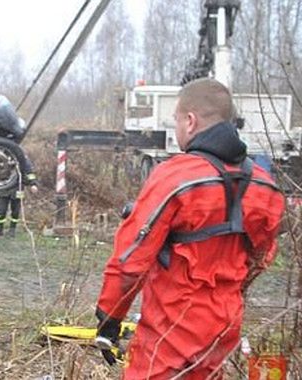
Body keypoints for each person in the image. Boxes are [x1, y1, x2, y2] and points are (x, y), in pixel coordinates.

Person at [95, 78, 285, 378]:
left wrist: (109, 317)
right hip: (224, 328)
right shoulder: (265, 186)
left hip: (170, 329)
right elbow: (261, 257)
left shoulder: (175, 177)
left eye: (177, 120)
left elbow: (131, 261)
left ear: (191, 121)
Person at [0, 157, 38, 238]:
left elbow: (30, 173)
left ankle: (12, 229)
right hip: (4, 188)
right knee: (1, 209)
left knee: (16, 210)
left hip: (18, 187)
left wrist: (33, 184)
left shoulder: (23, 158)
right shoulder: (3, 155)